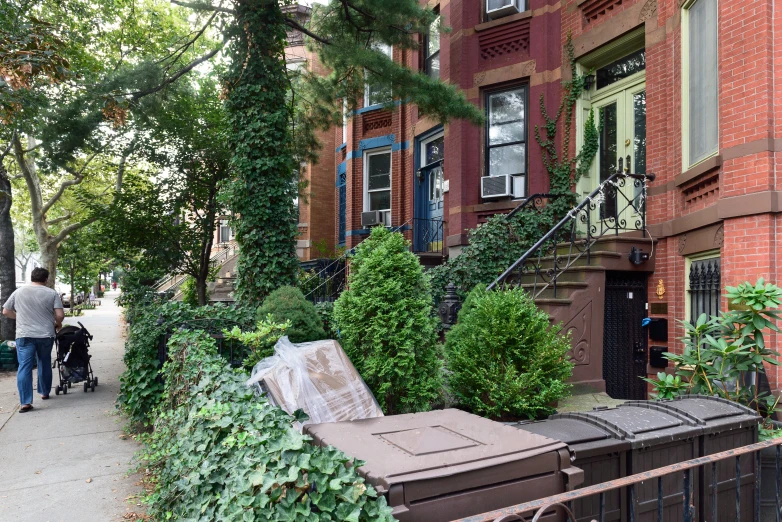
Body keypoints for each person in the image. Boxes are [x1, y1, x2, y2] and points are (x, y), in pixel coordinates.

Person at [2, 268, 64, 413]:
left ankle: (25, 402)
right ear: (46, 279)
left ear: (31, 277)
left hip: (24, 335)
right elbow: (59, 315)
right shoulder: (51, 293)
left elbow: (5, 311)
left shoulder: (19, 292)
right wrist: (57, 324)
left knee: (24, 366)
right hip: (45, 335)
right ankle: (44, 392)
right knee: (44, 362)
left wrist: (20, 318)